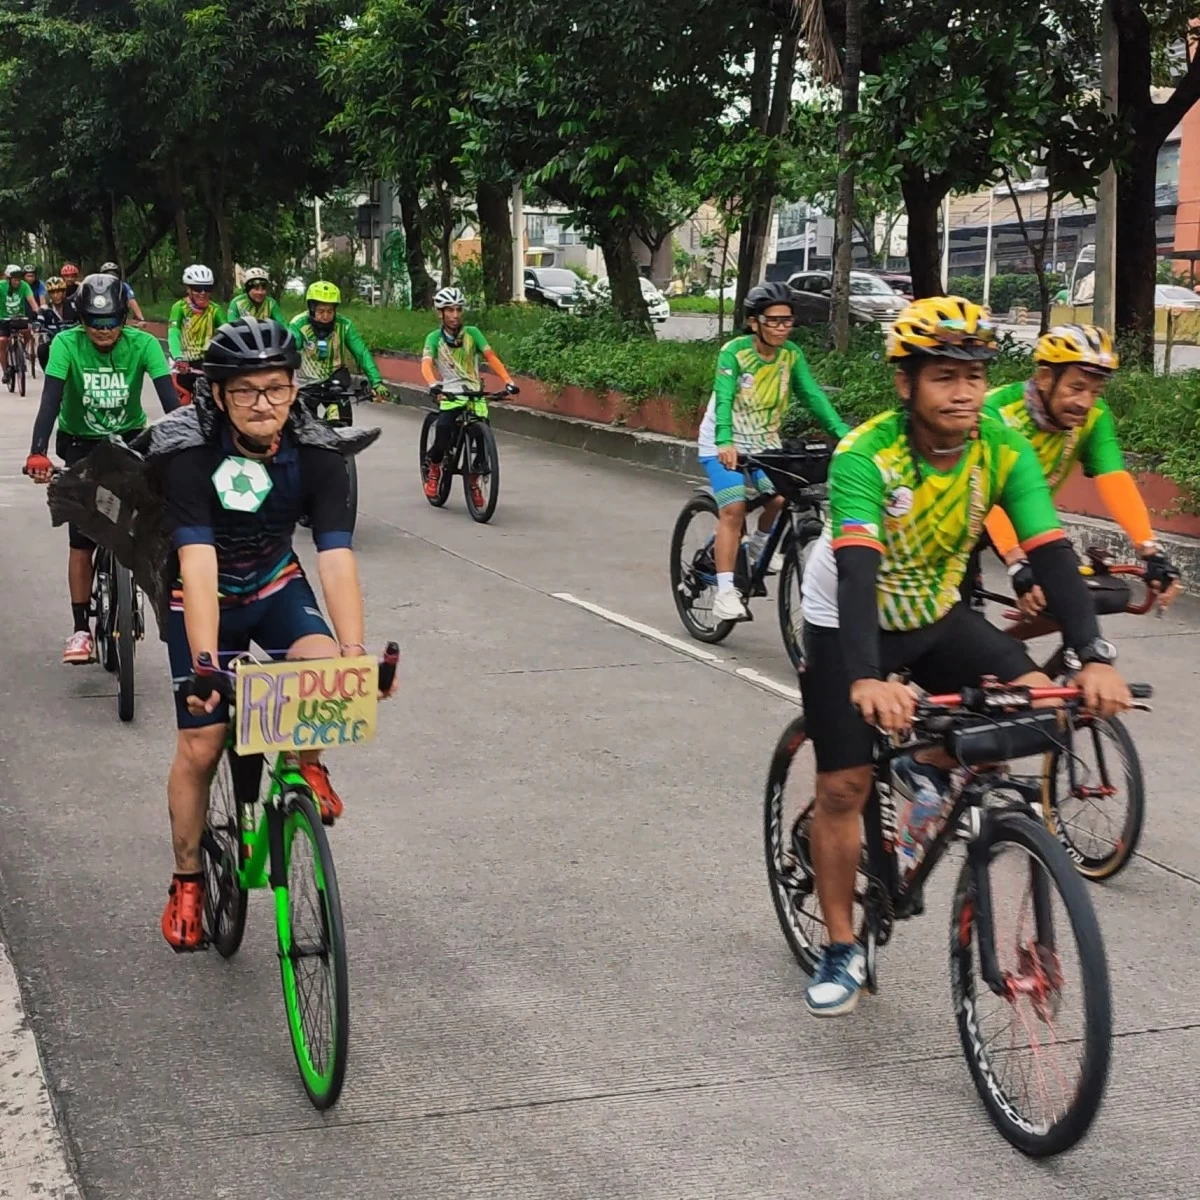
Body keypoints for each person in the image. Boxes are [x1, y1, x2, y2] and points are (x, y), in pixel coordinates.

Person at [795, 296, 1132, 1018]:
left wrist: (1093, 654)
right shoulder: (866, 455)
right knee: (845, 787)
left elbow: (1051, 553)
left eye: (976, 377)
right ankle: (839, 944)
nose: (964, 392)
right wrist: (864, 678)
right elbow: (857, 577)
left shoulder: (1001, 450)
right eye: (944, 376)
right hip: (847, 621)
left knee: (1045, 710)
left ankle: (926, 767)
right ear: (905, 384)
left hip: (936, 614)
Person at [157, 317, 383, 948]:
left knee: (322, 667)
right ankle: (187, 878)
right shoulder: (191, 455)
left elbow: (335, 558)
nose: (264, 405)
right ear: (219, 394)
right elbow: (196, 562)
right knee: (203, 742)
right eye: (247, 391)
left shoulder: (317, 454)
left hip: (275, 583)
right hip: (203, 595)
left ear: (294, 389)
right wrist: (205, 662)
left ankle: (306, 764)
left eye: (278, 389)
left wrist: (354, 658)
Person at [24, 273, 179, 663]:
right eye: (95, 324)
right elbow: (50, 402)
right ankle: (80, 630)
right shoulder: (65, 344)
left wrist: (189, 448)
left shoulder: (143, 344)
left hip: (129, 439)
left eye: (111, 322)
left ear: (123, 319)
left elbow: (171, 404)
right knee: (82, 539)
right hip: (80, 444)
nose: (104, 331)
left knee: (155, 526)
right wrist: (37, 452)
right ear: (81, 321)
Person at [979, 324, 1180, 612]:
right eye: (1076, 388)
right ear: (1046, 378)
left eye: (1095, 391)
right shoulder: (995, 413)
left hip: (1028, 520)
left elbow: (1115, 480)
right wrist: (1016, 561)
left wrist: (1151, 551)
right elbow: (991, 495)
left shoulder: (1094, 417)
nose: (1085, 402)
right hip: (965, 516)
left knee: (1081, 599)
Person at [696, 280, 850, 621]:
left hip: (765, 443)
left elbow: (812, 396)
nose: (781, 328)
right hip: (723, 443)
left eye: (787, 321)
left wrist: (844, 434)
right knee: (734, 509)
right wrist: (724, 440)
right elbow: (723, 398)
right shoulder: (734, 352)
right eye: (773, 321)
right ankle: (725, 592)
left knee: (780, 496)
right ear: (754, 322)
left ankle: (756, 548)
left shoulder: (790, 356)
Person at [420, 286, 519, 501]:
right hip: (450, 393)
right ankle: (434, 467)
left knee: (482, 437)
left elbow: (491, 357)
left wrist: (508, 381)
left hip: (474, 392)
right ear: (441, 313)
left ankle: (474, 479)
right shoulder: (434, 338)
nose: (455, 315)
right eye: (450, 310)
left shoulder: (472, 333)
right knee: (444, 430)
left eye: (458, 310)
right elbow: (426, 364)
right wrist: (433, 383)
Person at [288, 281, 389, 402]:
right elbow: (290, 347)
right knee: (303, 419)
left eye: (330, 311)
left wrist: (376, 382)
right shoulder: (298, 324)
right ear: (311, 309)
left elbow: (361, 353)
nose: (325, 316)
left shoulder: (345, 326)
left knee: (342, 419)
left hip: (335, 379)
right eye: (321, 311)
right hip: (305, 383)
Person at [168, 264, 226, 404]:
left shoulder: (215, 310)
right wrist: (178, 357)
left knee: (215, 404)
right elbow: (173, 332)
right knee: (181, 405)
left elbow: (227, 332)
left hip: (206, 363)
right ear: (188, 289)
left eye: (207, 288)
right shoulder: (179, 308)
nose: (203, 293)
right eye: (198, 289)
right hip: (183, 363)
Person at [0, 263, 43, 384]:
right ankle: (5, 370)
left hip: (19, 318)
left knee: (28, 331)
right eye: (14, 279)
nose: (17, 282)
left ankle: (21, 350)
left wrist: (38, 313)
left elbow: (32, 302)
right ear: (8, 279)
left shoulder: (24, 286)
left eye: (19, 279)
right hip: (3, 319)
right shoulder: (1, 286)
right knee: (2, 341)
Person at [35, 276, 77, 372]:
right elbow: (39, 319)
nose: (55, 295)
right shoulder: (45, 309)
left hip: (74, 341)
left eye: (58, 292)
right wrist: (37, 325)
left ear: (63, 293)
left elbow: (83, 318)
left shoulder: (73, 306)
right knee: (42, 350)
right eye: (52, 292)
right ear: (49, 294)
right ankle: (49, 375)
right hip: (54, 342)